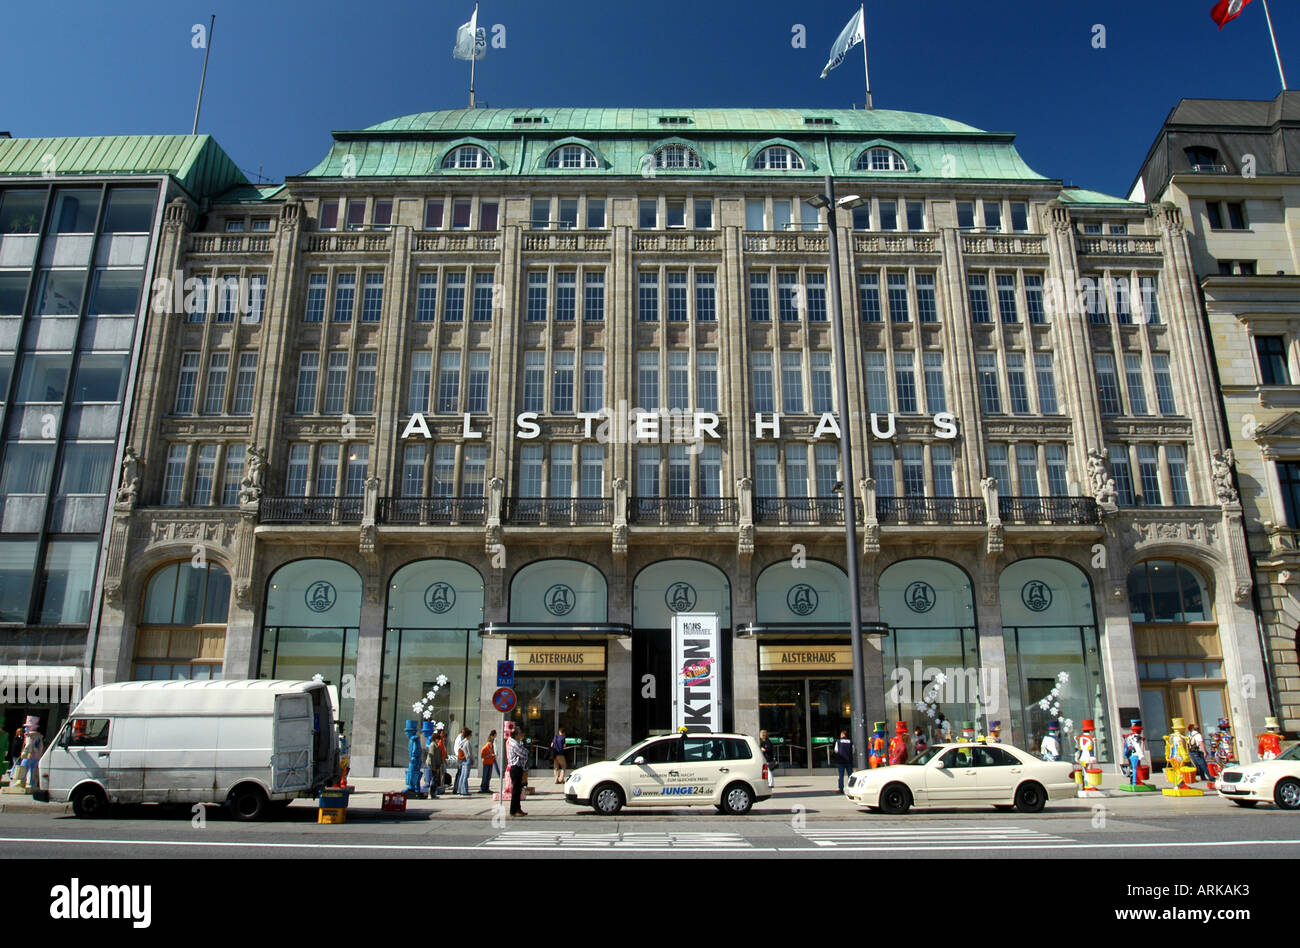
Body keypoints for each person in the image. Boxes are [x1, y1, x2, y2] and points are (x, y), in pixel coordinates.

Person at [507, 728, 528, 817]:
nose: (521, 735)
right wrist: (526, 751)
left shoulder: (516, 742)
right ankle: (513, 810)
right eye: (519, 733)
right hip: (515, 767)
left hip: (518, 767)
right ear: (516, 735)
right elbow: (523, 753)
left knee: (518, 789)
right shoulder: (514, 743)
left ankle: (518, 808)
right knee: (516, 790)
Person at [424, 728, 444, 798]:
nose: (439, 740)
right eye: (438, 739)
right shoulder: (432, 745)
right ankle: (432, 794)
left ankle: (433, 793)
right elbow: (431, 757)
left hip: (435, 765)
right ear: (435, 739)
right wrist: (434, 767)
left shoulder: (436, 746)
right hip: (432, 765)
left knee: (435, 779)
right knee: (433, 780)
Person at [453, 727, 473, 796]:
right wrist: (471, 759)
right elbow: (469, 753)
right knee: (465, 776)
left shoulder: (462, 742)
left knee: (462, 775)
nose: (471, 736)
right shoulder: (467, 742)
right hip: (467, 759)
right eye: (470, 735)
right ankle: (464, 790)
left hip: (463, 760)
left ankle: (460, 789)